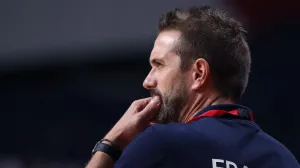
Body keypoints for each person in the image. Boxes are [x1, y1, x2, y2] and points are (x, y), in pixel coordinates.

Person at [86, 5, 300, 168]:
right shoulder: (283, 159)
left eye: (159, 65)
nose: (148, 81)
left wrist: (111, 143)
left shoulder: (161, 144)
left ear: (198, 73)